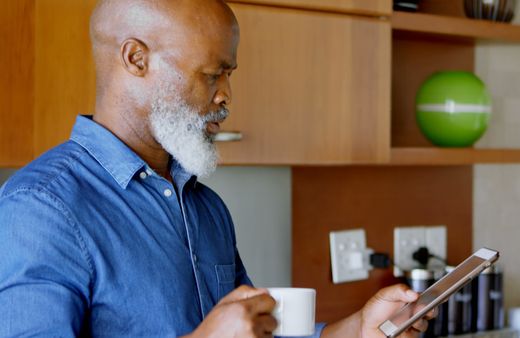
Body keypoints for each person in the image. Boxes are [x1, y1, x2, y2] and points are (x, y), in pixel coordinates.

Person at [0, 0, 434, 337]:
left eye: (230, 75)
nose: (226, 96)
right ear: (136, 59)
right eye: (212, 75)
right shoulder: (40, 209)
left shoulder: (205, 208)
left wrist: (357, 328)